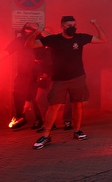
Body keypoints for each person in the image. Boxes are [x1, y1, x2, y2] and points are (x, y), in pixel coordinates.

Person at [29, 16, 106, 148]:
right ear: (62, 26)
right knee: (54, 106)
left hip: (78, 77)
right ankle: (46, 135)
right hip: (59, 79)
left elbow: (103, 40)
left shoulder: (80, 38)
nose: (72, 27)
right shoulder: (54, 39)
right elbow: (30, 45)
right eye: (69, 25)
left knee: (78, 105)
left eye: (74, 25)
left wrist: (96, 25)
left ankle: (77, 130)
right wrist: (36, 32)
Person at [0, 22, 45, 130]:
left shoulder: (40, 41)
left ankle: (39, 119)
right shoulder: (19, 40)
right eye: (26, 31)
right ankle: (20, 117)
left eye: (30, 31)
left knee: (35, 96)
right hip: (22, 72)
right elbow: (7, 51)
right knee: (17, 93)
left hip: (36, 72)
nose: (27, 33)